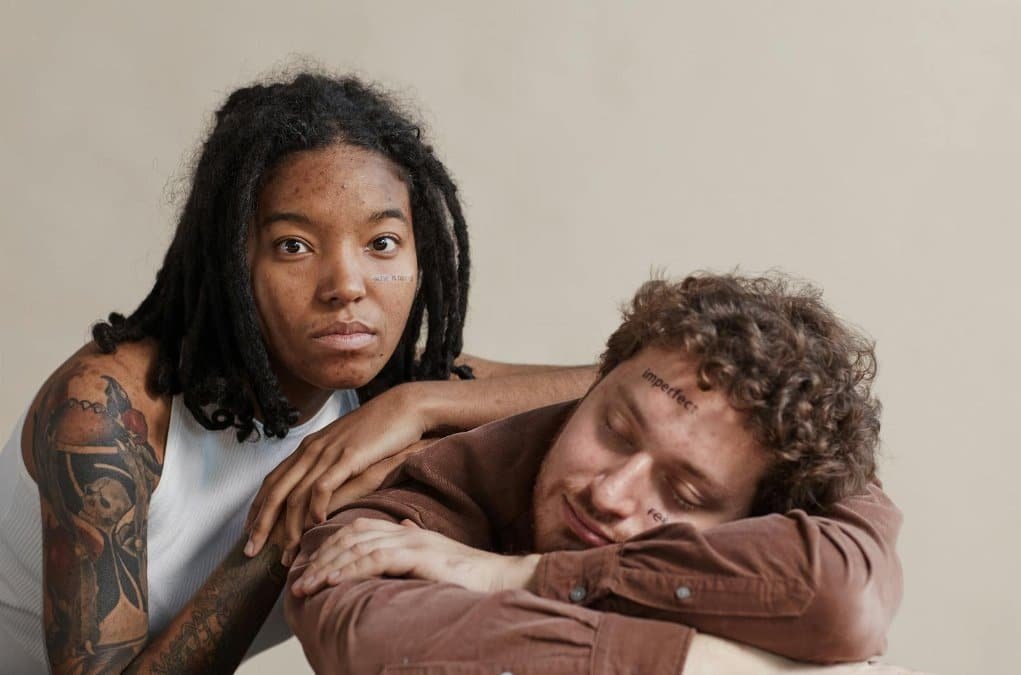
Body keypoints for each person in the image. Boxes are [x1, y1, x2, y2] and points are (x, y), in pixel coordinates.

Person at [0, 71, 595, 674]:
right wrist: (283, 535)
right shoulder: (107, 413)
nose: (347, 287)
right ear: (234, 259)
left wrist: (416, 405)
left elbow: (625, 384)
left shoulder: (388, 392)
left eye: (383, 243)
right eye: (294, 246)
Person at [286, 273, 903, 674]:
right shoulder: (404, 512)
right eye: (614, 430)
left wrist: (521, 575)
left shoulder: (799, 500)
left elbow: (842, 596)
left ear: (759, 518)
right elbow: (386, 640)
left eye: (684, 492)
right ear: (594, 384)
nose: (610, 494)